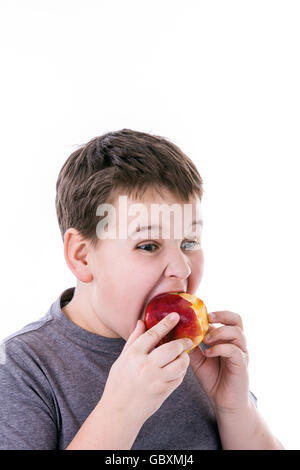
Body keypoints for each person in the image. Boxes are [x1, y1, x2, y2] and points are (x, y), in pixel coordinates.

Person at [0, 129, 284, 450]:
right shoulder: (22, 369)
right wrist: (122, 412)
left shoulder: (197, 353)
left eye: (189, 242)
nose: (182, 268)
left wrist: (234, 407)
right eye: (149, 245)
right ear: (82, 256)